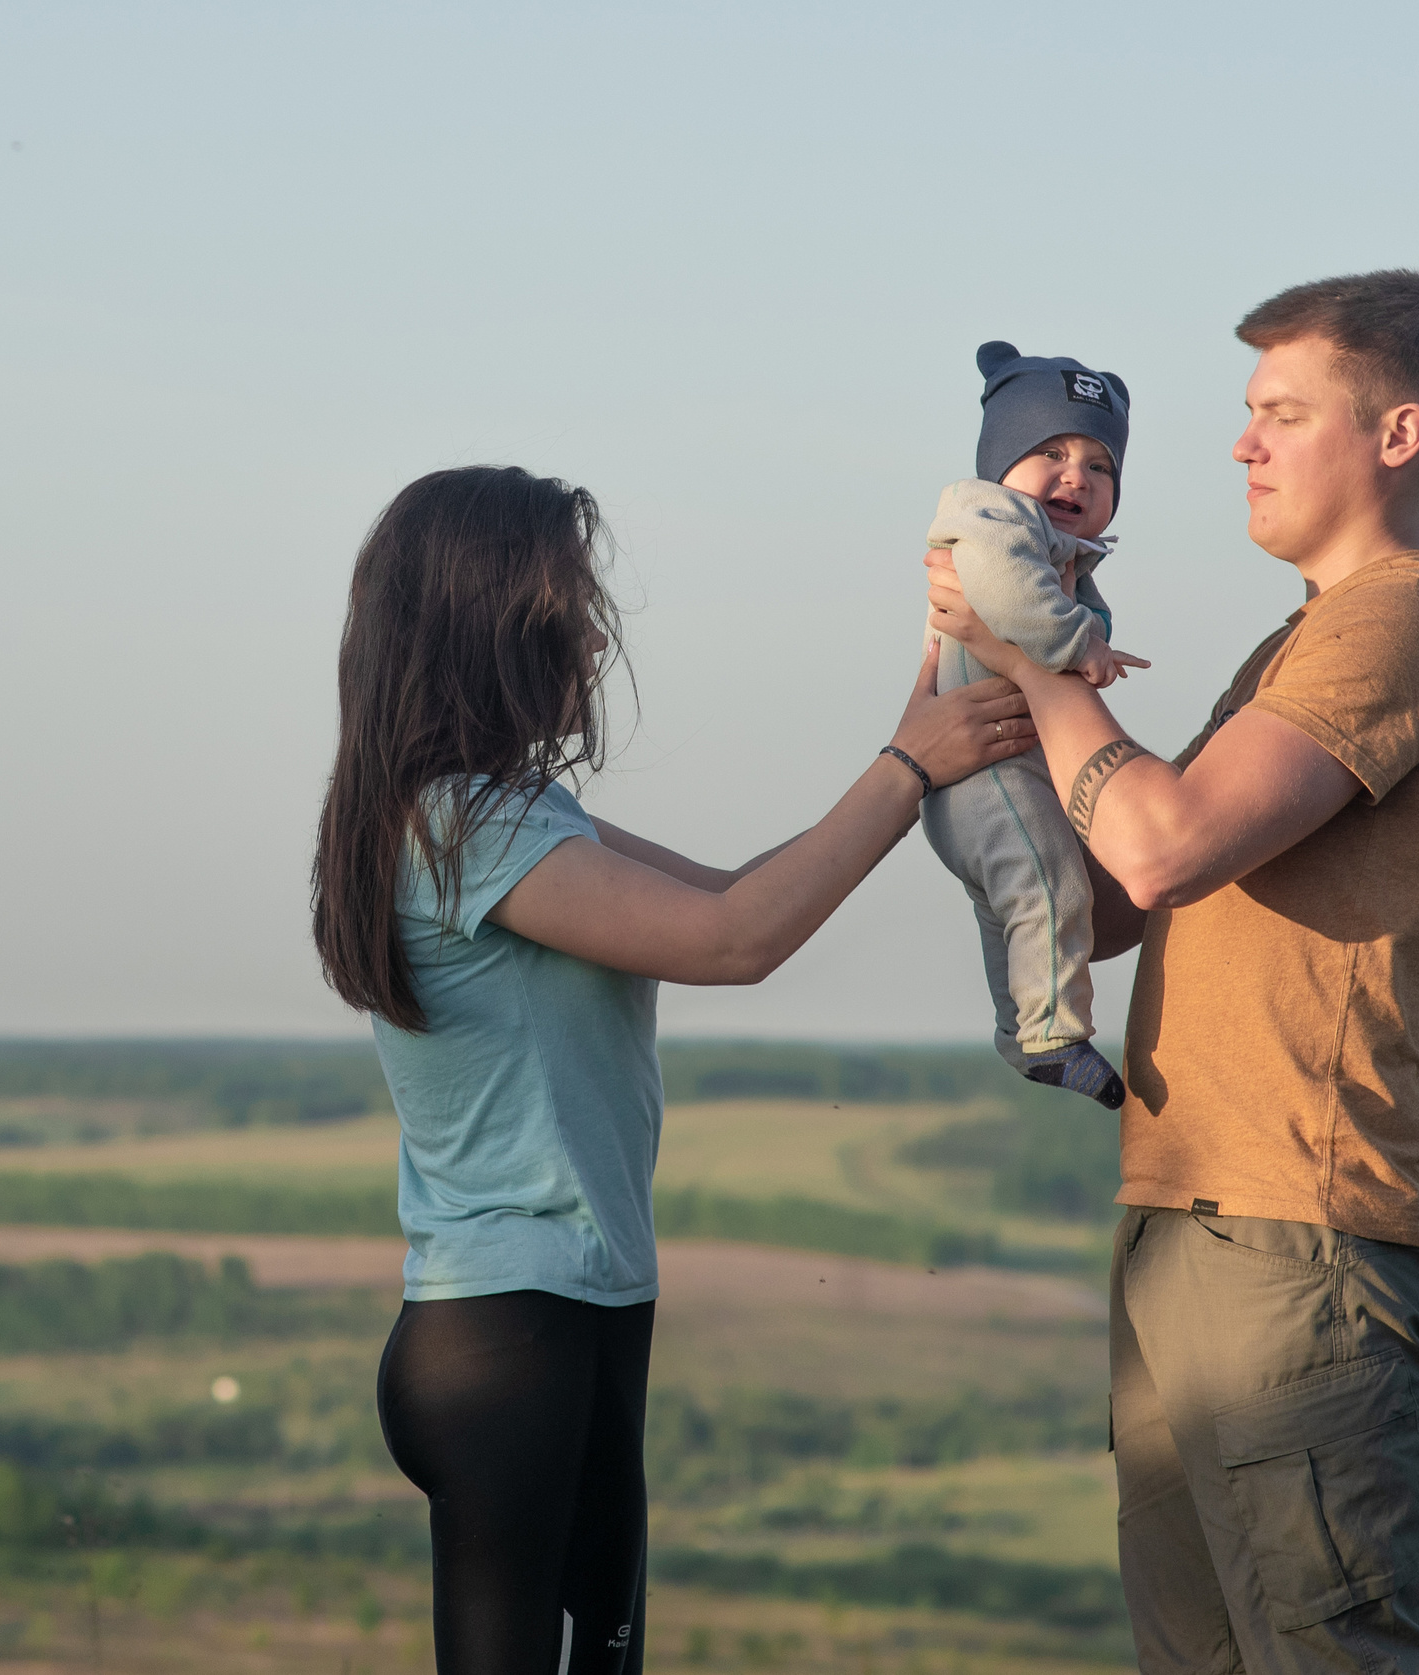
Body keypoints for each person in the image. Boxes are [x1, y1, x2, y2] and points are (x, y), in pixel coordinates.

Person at [310, 464, 1036, 1674]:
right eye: (568, 605)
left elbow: (732, 890)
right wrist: (908, 769)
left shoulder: (509, 812)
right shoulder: (461, 825)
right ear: (488, 625)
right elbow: (735, 942)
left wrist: (921, 736)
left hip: (561, 1324)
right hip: (512, 1337)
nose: (593, 636)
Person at [927, 271, 1419, 1673]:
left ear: (1396, 434)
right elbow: (1112, 905)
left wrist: (1035, 651)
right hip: (1194, 1216)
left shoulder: (1403, 622)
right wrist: (962, 746)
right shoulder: (1297, 644)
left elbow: (1163, 843)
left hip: (1298, 1234)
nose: (1244, 444)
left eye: (1280, 412)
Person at [919, 341, 1151, 1109]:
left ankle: (1020, 1031)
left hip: (994, 770)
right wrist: (1079, 641)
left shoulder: (1058, 550)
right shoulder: (988, 517)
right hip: (986, 773)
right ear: (1000, 462)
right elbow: (1003, 592)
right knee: (1051, 882)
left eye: (1100, 465)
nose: (1076, 475)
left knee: (1011, 906)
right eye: (1050, 450)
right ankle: (1053, 1033)